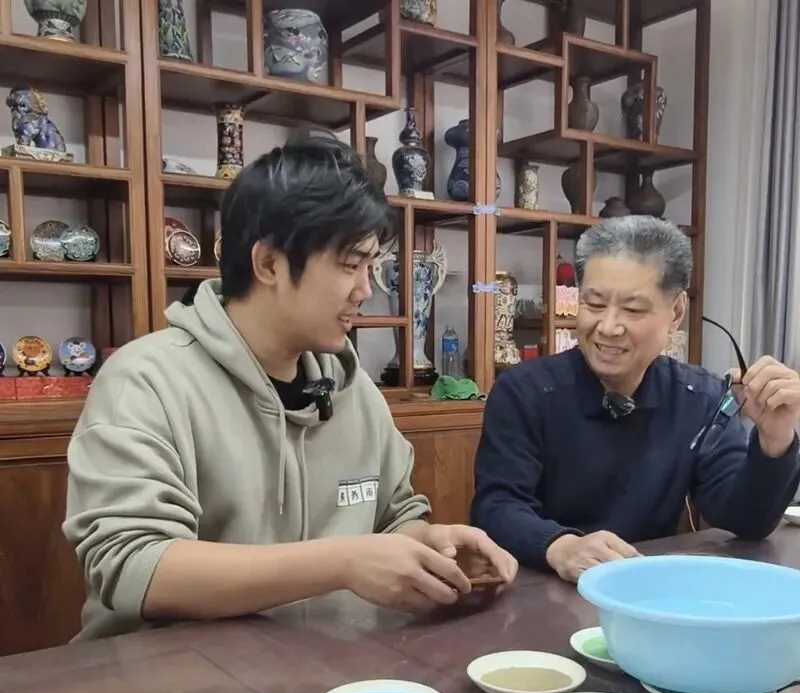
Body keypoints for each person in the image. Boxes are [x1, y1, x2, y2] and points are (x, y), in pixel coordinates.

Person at [64, 140, 516, 639]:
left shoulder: (353, 389)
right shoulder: (146, 381)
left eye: (369, 266)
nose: (365, 290)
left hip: (324, 661)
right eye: (350, 265)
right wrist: (342, 563)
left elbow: (394, 517)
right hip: (170, 672)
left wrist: (431, 546)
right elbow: (133, 567)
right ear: (269, 264)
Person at [471, 216, 800, 583]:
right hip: (543, 588)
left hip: (648, 588)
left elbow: (747, 520)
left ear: (676, 312)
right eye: (594, 304)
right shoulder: (524, 391)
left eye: (632, 309)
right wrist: (560, 545)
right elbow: (497, 506)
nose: (608, 327)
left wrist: (775, 439)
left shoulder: (701, 398)